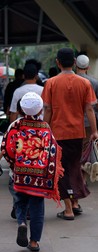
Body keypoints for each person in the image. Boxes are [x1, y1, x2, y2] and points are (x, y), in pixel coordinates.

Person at [0, 92, 64, 251]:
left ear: (21, 109)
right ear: (40, 109)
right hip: (39, 178)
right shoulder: (45, 127)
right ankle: (34, 242)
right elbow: (52, 150)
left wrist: (14, 165)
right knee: (37, 207)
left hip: (19, 175)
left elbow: (7, 148)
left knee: (20, 202)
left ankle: (22, 222)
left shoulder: (15, 125)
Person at [42, 47, 98, 220]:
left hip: (58, 133)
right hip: (78, 132)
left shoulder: (50, 83)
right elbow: (90, 109)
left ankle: (68, 209)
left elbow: (48, 110)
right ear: (74, 62)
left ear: (57, 63)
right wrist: (95, 131)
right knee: (75, 167)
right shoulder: (84, 83)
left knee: (61, 170)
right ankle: (75, 202)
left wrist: (44, 128)